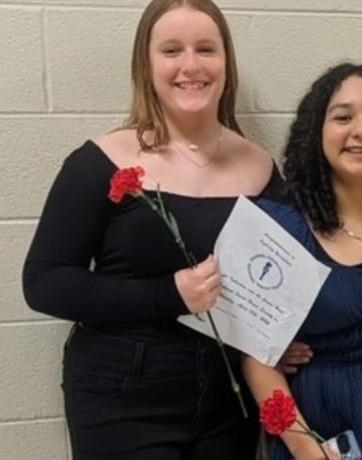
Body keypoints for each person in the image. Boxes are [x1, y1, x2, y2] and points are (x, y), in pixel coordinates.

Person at [22, 0, 273, 458]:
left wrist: (285, 337)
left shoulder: (263, 168)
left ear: (226, 63)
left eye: (206, 49)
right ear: (146, 64)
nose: (191, 66)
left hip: (228, 396)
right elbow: (44, 283)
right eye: (172, 50)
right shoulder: (99, 162)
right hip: (122, 392)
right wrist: (167, 295)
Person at [245, 63, 362, 460]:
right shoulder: (282, 228)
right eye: (343, 117)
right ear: (317, 132)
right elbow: (255, 360)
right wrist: (303, 445)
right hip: (320, 420)